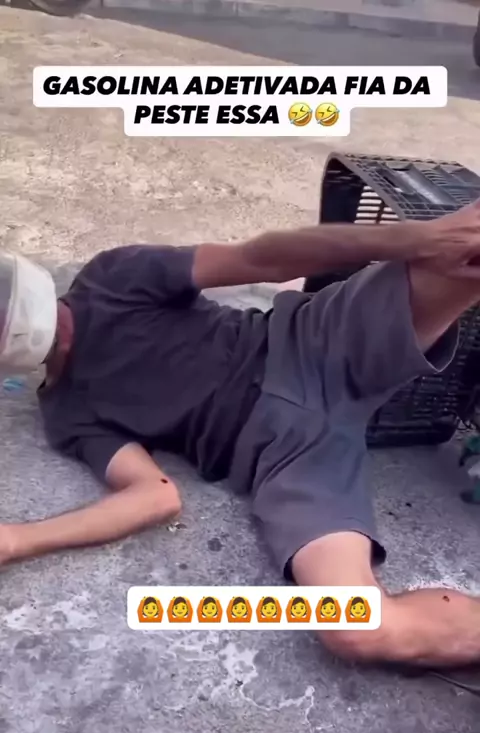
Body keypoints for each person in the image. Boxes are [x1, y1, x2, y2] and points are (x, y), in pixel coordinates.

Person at [2, 204, 480, 669]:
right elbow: (154, 496)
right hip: (290, 458)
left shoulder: (112, 278)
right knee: (357, 626)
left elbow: (261, 259)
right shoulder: (67, 410)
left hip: (310, 345)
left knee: (467, 245)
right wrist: (17, 540)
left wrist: (416, 239)